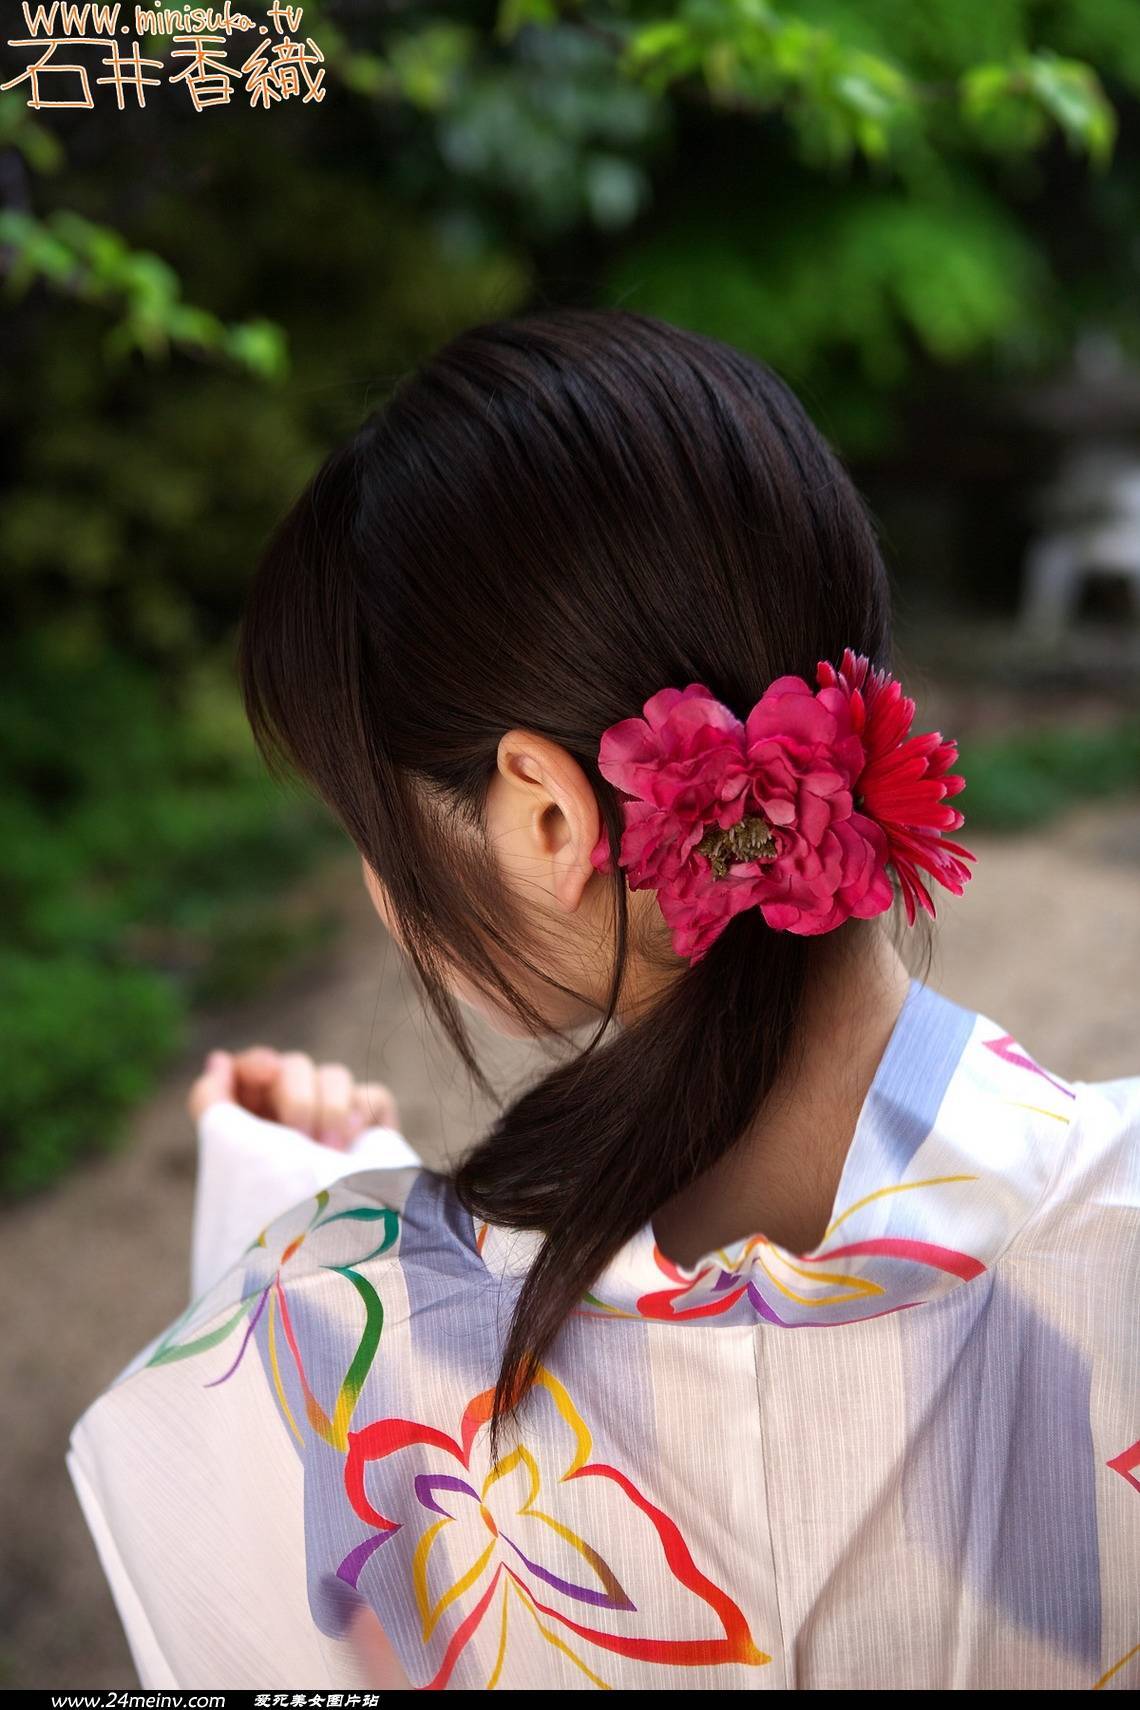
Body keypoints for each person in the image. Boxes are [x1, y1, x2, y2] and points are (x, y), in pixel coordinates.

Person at [68, 311, 1139, 1691]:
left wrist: (305, 1230)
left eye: (372, 827)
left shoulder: (323, 1335)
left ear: (552, 816)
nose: (380, 887)